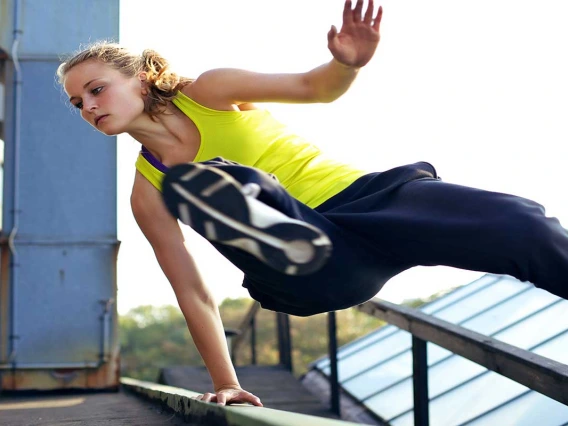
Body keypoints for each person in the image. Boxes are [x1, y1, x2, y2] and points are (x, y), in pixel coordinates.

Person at [59, 0, 568, 407]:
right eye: (78, 103)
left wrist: (344, 63)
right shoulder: (148, 191)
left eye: (96, 90)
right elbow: (192, 291)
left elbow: (313, 87)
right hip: (316, 264)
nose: (89, 108)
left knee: (523, 225)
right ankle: (273, 230)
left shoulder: (210, 90)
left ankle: (265, 218)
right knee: (213, 184)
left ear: (140, 79)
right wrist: (227, 381)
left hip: (371, 202)